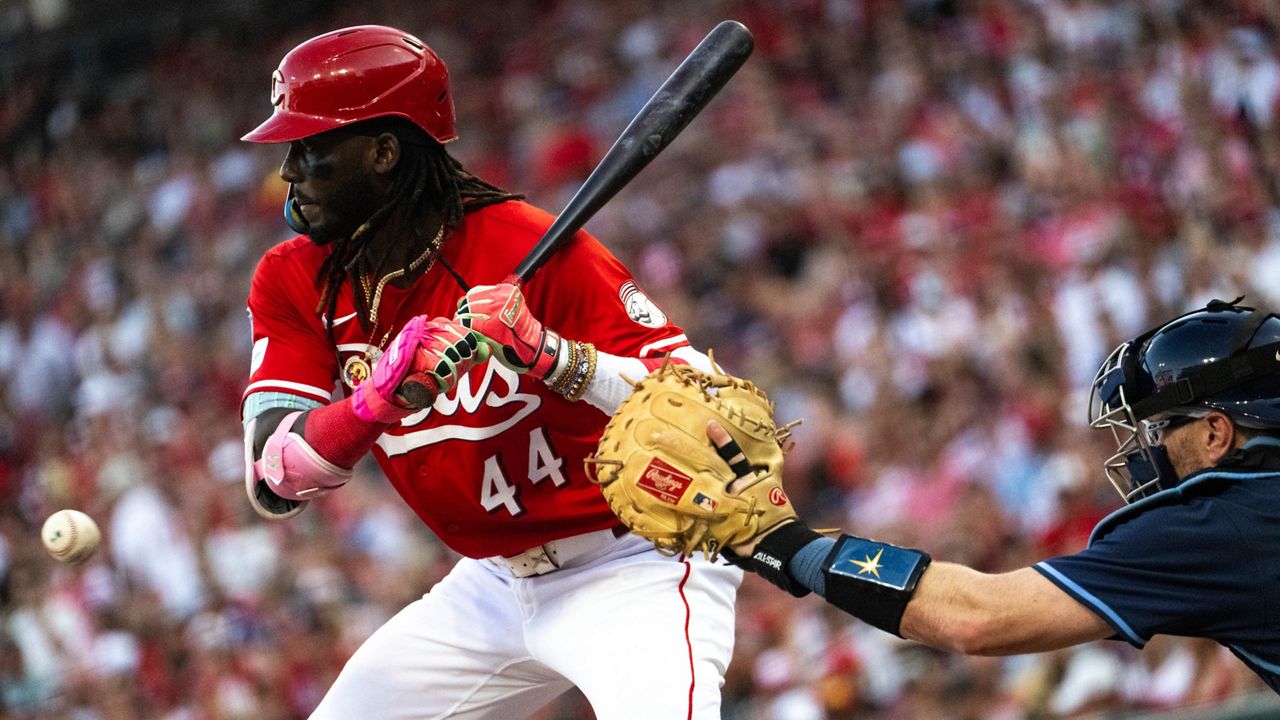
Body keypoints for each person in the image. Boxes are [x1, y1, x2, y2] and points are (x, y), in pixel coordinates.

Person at [238, 25, 740, 719]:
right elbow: (273, 480)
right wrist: (372, 403)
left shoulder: (531, 244)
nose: (290, 172)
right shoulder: (295, 280)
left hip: (633, 564)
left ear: (384, 152)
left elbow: (714, 415)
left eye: (312, 149)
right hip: (490, 591)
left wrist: (550, 355)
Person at [700, 298, 1280, 692]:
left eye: (1158, 429)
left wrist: (789, 545)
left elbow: (978, 616)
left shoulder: (1216, 523)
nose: (1145, 448)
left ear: (1214, 432)